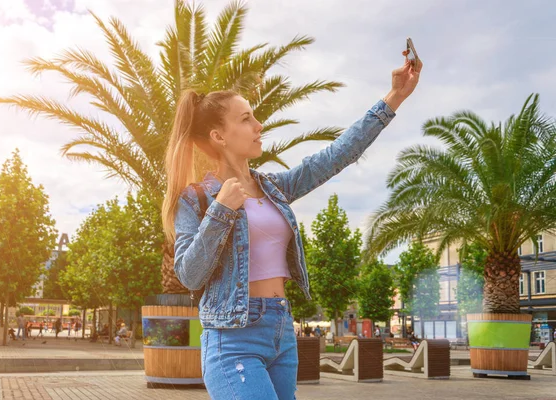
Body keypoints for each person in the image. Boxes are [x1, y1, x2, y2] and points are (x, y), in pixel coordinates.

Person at [162, 47, 422, 399]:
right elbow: (189, 275)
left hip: (281, 329)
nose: (259, 126)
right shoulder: (197, 199)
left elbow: (335, 156)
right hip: (232, 338)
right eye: (246, 119)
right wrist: (220, 210)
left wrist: (395, 96)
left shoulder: (274, 188)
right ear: (219, 136)